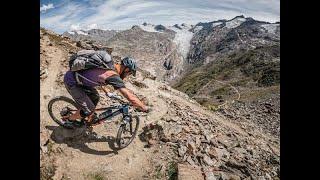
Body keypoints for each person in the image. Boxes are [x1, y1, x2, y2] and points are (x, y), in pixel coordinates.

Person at [63, 53, 150, 127]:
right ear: (126, 69)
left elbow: (97, 77)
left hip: (80, 81)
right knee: (89, 109)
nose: (128, 75)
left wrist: (107, 92)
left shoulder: (110, 66)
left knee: (96, 97)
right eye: (130, 73)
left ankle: (88, 117)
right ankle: (69, 120)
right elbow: (128, 96)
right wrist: (143, 107)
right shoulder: (113, 76)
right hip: (72, 82)